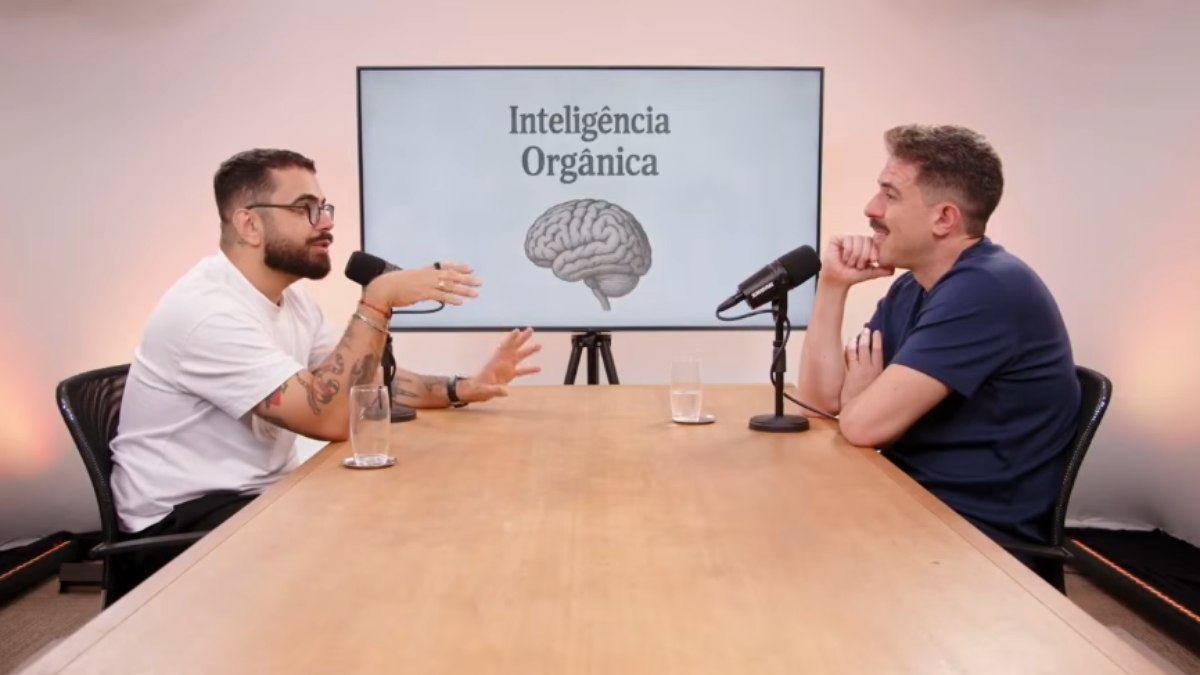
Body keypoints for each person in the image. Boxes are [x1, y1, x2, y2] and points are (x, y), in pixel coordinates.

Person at [108, 148, 541, 599]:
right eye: (305, 209)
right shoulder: (207, 313)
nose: (326, 223)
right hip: (180, 528)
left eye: (324, 207)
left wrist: (462, 388)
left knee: (410, 505)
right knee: (389, 539)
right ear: (249, 224)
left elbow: (363, 385)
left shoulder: (291, 301)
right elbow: (333, 419)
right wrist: (378, 301)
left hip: (257, 496)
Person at [796, 124, 1080, 554]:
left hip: (970, 540)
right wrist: (832, 286)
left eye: (890, 195)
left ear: (944, 218)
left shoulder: (986, 290)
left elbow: (861, 425)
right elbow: (820, 402)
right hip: (907, 502)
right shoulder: (913, 288)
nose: (871, 208)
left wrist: (857, 401)